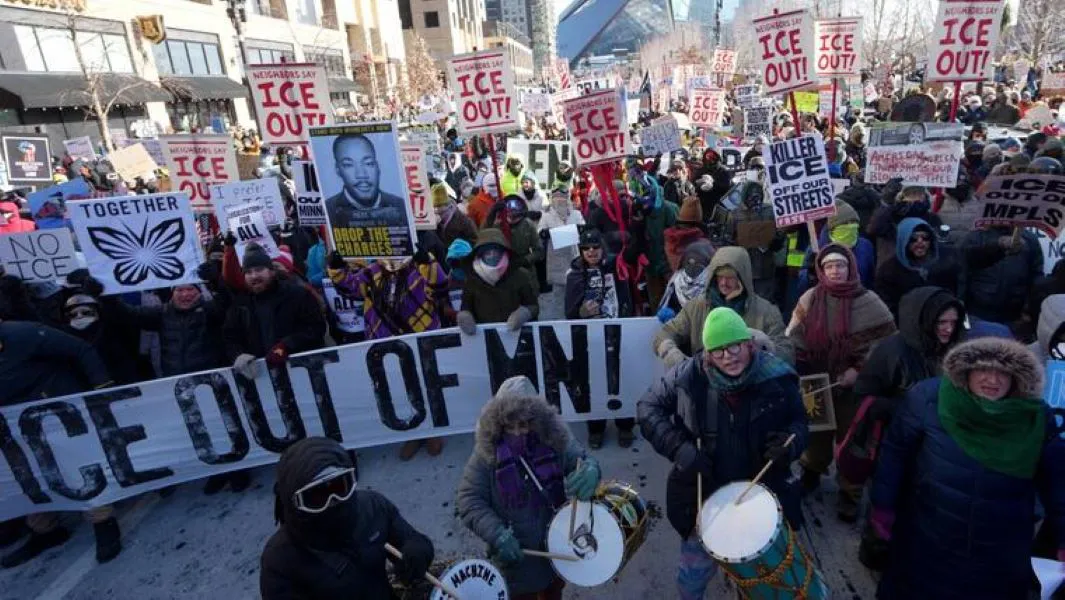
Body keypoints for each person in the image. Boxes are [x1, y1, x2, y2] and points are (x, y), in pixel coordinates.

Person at [869, 338, 1065, 599]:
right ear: (966, 370)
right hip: (927, 539)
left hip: (997, 556)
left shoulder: (1035, 418)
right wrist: (883, 505)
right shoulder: (929, 398)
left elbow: (1058, 485)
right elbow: (895, 452)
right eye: (984, 369)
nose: (993, 381)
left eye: (1003, 373)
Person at [638, 308, 808, 600]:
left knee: (759, 580)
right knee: (691, 581)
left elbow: (800, 422)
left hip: (761, 496)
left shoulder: (777, 378)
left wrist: (789, 447)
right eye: (718, 350)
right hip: (703, 497)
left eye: (734, 346)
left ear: (748, 344)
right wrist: (680, 449)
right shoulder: (688, 375)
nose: (728, 356)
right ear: (707, 354)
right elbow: (647, 408)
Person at [840, 287, 967, 569]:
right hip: (894, 443)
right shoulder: (892, 351)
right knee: (886, 503)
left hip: (940, 449)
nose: (948, 329)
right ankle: (874, 551)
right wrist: (901, 410)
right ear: (924, 320)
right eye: (941, 323)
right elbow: (864, 393)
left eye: (953, 323)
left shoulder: (959, 351)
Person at [456, 376, 600, 600]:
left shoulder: (554, 439)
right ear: (497, 424)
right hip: (516, 559)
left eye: (523, 425)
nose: (516, 433)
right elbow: (468, 499)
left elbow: (580, 459)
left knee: (553, 593)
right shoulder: (487, 452)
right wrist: (497, 535)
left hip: (556, 548)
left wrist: (591, 469)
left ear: (537, 421)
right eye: (508, 426)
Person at [0, 299, 119, 567]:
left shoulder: (23, 333)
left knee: (78, 469)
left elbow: (80, 349)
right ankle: (45, 530)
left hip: (56, 413)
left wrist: (102, 389)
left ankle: (103, 522)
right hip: (13, 425)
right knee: (26, 477)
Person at [787, 244, 896, 519]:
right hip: (816, 380)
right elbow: (794, 336)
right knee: (816, 434)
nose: (835, 270)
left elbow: (885, 346)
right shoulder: (810, 298)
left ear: (851, 267)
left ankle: (850, 492)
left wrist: (858, 371)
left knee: (853, 442)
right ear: (821, 270)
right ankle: (811, 473)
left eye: (841, 265)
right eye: (829, 266)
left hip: (855, 388)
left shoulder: (869, 301)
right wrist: (800, 368)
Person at [260, 437, 435, 599]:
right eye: (318, 496)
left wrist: (418, 550)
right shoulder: (279, 562)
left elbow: (410, 538)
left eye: (339, 486)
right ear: (294, 503)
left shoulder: (373, 508)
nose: (332, 502)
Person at [326, 250, 449, 460]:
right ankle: (414, 433)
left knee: (426, 382)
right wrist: (337, 268)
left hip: (419, 336)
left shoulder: (419, 265)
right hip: (384, 338)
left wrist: (427, 261)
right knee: (398, 386)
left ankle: (432, 432)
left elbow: (439, 287)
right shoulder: (372, 270)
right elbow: (352, 289)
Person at [222, 244, 326, 490]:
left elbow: (316, 328)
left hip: (299, 373)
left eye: (259, 270)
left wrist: (287, 345)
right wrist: (238, 355)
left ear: (270, 270)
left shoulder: (296, 295)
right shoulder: (241, 303)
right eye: (248, 272)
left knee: (314, 421)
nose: (254, 276)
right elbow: (229, 336)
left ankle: (327, 461)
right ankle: (294, 471)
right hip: (262, 377)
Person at [653, 246, 792, 366]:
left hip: (751, 386)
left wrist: (766, 346)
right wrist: (670, 352)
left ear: (743, 277)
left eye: (730, 277)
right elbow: (665, 333)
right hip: (706, 384)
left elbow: (787, 353)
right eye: (719, 276)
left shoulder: (766, 311)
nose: (724, 283)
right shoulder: (696, 307)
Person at [565, 229, 635, 448]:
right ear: (581, 251)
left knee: (621, 380)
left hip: (617, 333)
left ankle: (625, 425)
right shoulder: (574, 274)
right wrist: (581, 312)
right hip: (590, 340)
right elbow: (569, 311)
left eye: (595, 246)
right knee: (593, 383)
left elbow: (633, 252)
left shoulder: (616, 266)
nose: (592, 251)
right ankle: (596, 428)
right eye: (586, 248)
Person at [456, 229, 539, 334]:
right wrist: (465, 317)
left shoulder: (520, 275)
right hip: (485, 337)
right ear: (481, 254)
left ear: (503, 251)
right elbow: (466, 307)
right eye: (487, 252)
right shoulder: (472, 279)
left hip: (516, 335)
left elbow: (533, 305)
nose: (492, 255)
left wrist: (523, 314)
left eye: (496, 251)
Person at [874, 217, 959, 319]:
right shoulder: (888, 270)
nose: (920, 242)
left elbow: (954, 295)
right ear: (903, 240)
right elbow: (887, 306)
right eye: (913, 238)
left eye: (925, 237)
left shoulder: (945, 264)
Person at [960, 224, 1043, 328]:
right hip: (979, 313)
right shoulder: (976, 237)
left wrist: (1030, 310)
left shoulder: (1029, 239)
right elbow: (962, 274)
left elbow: (1036, 276)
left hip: (1015, 316)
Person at [324, 134, 408, 230]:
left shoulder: (403, 207)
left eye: (368, 163)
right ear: (338, 170)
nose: (361, 174)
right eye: (348, 165)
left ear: (377, 167)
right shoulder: (326, 211)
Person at [538, 190, 585, 320]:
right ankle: (561, 320)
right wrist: (548, 233)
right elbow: (540, 232)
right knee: (559, 293)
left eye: (563, 198)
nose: (560, 201)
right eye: (556, 198)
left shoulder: (575, 214)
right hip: (556, 258)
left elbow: (583, 228)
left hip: (574, 255)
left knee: (576, 288)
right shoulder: (546, 216)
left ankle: (576, 317)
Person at [658, 240, 714, 319]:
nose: (693, 267)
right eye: (689, 263)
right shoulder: (677, 281)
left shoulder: (713, 282)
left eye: (699, 263)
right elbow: (669, 305)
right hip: (679, 325)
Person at [432, 182, 476, 249]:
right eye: (433, 206)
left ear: (446, 205)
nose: (436, 210)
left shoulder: (463, 221)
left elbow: (474, 239)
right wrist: (434, 227)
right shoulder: (432, 220)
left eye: (439, 206)